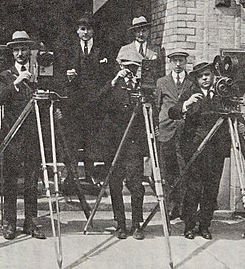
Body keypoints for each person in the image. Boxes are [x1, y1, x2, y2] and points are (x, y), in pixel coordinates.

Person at [169, 62, 243, 240]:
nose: (205, 78)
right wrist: (186, 104)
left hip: (215, 150)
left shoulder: (222, 93)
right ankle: (189, 225)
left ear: (213, 76)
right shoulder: (190, 93)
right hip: (194, 150)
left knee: (211, 190)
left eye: (208, 75)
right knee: (193, 189)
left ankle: (204, 225)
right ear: (196, 78)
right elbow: (173, 112)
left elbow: (236, 111)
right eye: (201, 76)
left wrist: (242, 124)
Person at [0, 31, 46, 240]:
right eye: (17, 50)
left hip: (33, 134)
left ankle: (31, 222)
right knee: (10, 180)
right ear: (12, 53)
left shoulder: (37, 73)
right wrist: (16, 83)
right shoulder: (5, 75)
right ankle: (9, 223)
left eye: (24, 49)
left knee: (32, 181)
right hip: (12, 135)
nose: (21, 53)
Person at [97, 48, 148, 240]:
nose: (130, 71)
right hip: (114, 143)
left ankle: (137, 224)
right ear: (120, 66)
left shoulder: (141, 86)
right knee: (115, 185)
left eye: (134, 68)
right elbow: (98, 102)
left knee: (136, 185)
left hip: (133, 143)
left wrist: (140, 89)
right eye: (127, 67)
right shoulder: (112, 85)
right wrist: (114, 81)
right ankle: (120, 223)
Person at [63, 12, 114, 190]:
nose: (85, 33)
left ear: (93, 31)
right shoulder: (69, 49)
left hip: (95, 104)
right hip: (74, 105)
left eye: (88, 29)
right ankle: (71, 176)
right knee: (73, 140)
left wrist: (99, 96)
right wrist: (67, 77)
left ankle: (90, 174)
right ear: (77, 31)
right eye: (82, 29)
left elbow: (108, 76)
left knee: (91, 140)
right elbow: (60, 73)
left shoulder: (103, 50)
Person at [154, 50, 191, 220]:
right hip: (166, 130)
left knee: (184, 169)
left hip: (186, 131)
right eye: (175, 61)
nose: (178, 64)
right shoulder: (161, 82)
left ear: (185, 62)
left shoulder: (192, 82)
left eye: (181, 61)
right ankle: (169, 206)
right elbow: (156, 106)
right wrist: (156, 126)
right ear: (170, 62)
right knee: (166, 170)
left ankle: (182, 207)